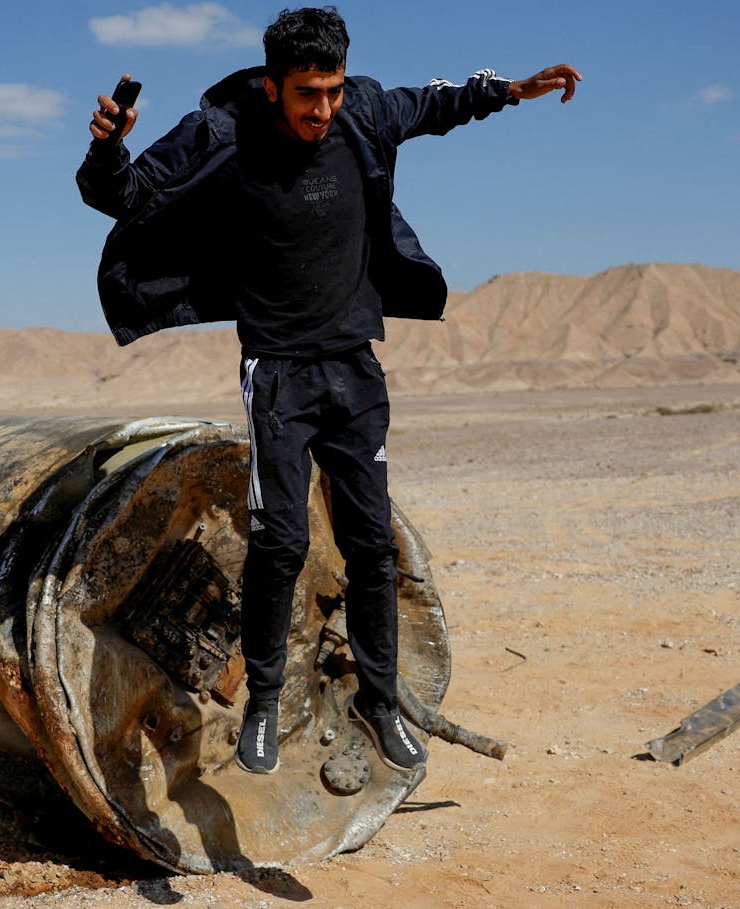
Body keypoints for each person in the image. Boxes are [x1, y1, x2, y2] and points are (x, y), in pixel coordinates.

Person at [76, 6, 580, 774]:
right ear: (274, 85)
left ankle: (381, 702)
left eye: (333, 91)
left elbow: (434, 104)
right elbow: (126, 195)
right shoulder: (222, 130)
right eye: (308, 94)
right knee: (279, 542)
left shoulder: (363, 110)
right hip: (277, 370)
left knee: (371, 543)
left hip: (354, 363)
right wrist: (107, 148)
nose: (323, 110)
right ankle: (266, 701)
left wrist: (510, 90)